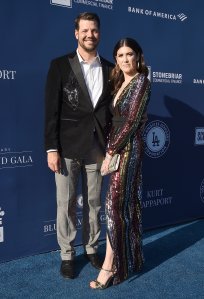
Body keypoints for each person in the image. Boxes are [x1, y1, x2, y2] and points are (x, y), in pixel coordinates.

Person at [44, 12, 113, 279]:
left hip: (97, 148)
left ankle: (92, 249)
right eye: (84, 30)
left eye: (94, 30)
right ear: (76, 33)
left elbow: (111, 111)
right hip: (67, 147)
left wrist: (112, 148)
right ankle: (67, 254)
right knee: (67, 203)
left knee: (94, 203)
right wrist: (52, 148)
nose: (89, 35)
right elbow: (51, 110)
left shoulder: (110, 68)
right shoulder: (60, 65)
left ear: (99, 33)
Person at [90, 38, 151, 289]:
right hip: (116, 147)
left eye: (129, 54)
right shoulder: (119, 82)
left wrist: (110, 154)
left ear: (138, 56)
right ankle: (131, 258)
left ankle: (110, 266)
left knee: (114, 207)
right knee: (123, 207)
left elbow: (131, 122)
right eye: (120, 55)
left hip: (127, 151)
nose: (125, 59)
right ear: (115, 59)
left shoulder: (141, 82)